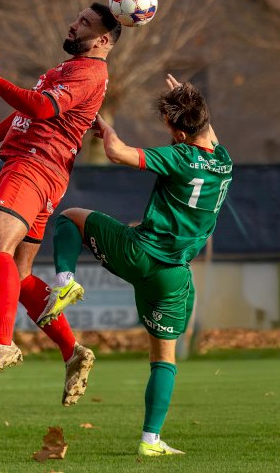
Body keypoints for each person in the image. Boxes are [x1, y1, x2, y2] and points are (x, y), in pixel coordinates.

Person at [45, 75, 233, 455]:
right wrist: (187, 98)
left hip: (138, 252)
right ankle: (151, 440)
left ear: (177, 133)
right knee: (164, 358)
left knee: (70, 217)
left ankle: (65, 281)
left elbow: (118, 153)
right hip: (171, 276)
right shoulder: (226, 163)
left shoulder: (178, 157)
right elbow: (204, 128)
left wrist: (106, 129)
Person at [0, 3, 122, 406]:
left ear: (102, 40)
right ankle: (73, 351)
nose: (73, 23)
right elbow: (24, 115)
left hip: (35, 164)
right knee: (21, 271)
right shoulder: (70, 69)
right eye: (77, 17)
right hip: (41, 168)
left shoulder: (89, 72)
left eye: (84, 22)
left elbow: (41, 108)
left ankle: (3, 342)